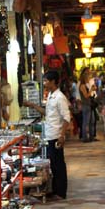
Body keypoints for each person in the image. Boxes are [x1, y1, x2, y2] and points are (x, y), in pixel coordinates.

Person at [24, 70, 71, 200]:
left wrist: (62, 136)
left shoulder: (60, 98)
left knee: (58, 164)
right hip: (50, 135)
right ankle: (56, 190)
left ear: (53, 82)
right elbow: (47, 113)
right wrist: (32, 105)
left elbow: (67, 118)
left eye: (46, 81)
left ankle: (60, 192)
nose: (44, 83)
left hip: (56, 135)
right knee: (54, 164)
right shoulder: (51, 96)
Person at [79, 67, 93, 142]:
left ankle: (88, 137)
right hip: (85, 105)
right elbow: (86, 96)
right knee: (86, 122)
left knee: (88, 122)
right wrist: (91, 90)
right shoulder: (82, 86)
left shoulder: (84, 85)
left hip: (87, 104)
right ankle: (85, 137)